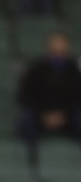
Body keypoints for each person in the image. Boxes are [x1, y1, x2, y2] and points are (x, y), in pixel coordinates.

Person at [16, 30, 81, 165]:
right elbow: (26, 95)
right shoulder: (36, 69)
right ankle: (30, 160)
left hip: (68, 115)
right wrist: (44, 114)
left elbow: (77, 97)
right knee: (26, 121)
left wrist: (63, 115)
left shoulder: (74, 70)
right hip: (41, 114)